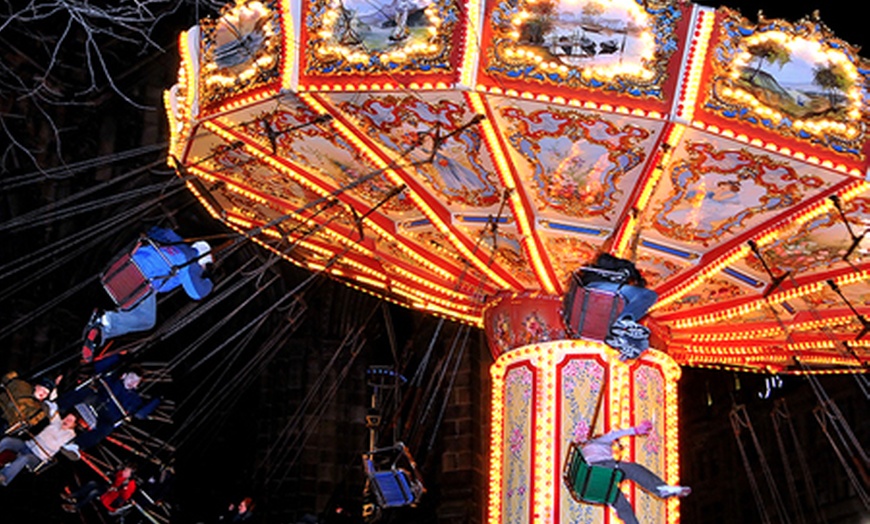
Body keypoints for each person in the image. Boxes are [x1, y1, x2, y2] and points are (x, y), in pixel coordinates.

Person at [82, 226, 214, 362]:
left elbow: (158, 230)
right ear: (202, 260)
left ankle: (101, 332)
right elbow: (196, 293)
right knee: (147, 321)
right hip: (143, 282)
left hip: (127, 265)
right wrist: (209, 281)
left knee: (130, 311)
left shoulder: (175, 242)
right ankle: (105, 321)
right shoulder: (190, 261)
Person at [581, 420, 690, 524]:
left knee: (623, 506)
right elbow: (614, 434)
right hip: (601, 469)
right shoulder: (598, 442)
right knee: (633, 469)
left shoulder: (585, 452)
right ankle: (661, 488)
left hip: (595, 482)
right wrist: (636, 430)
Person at [58, 355, 160, 450]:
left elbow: (141, 414)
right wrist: (118, 356)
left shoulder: (134, 399)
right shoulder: (112, 379)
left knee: (107, 428)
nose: (132, 382)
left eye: (136, 381)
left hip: (107, 415)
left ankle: (77, 445)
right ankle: (57, 405)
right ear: (124, 376)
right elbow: (99, 367)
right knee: (87, 392)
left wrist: (157, 400)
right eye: (131, 378)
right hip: (96, 400)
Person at [581, 252, 658, 358]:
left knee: (642, 343)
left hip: (595, 302)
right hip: (597, 287)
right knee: (649, 295)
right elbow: (604, 260)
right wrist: (630, 270)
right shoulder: (609, 264)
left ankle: (623, 343)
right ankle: (623, 322)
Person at [0, 403, 79, 486]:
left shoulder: (71, 436)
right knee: (7, 441)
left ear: (74, 425)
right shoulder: (57, 422)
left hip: (38, 456)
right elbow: (51, 409)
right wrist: (52, 402)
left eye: (70, 421)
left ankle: (4, 477)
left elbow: (70, 452)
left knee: (25, 458)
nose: (67, 421)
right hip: (28, 445)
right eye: (67, 418)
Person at [62, 463, 137, 514]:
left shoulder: (130, 484)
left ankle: (75, 507)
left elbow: (124, 497)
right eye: (125, 470)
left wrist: (120, 489)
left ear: (131, 475)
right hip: (109, 489)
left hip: (112, 498)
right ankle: (73, 495)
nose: (124, 472)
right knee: (92, 483)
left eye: (126, 471)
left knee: (94, 492)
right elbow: (114, 477)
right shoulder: (121, 474)